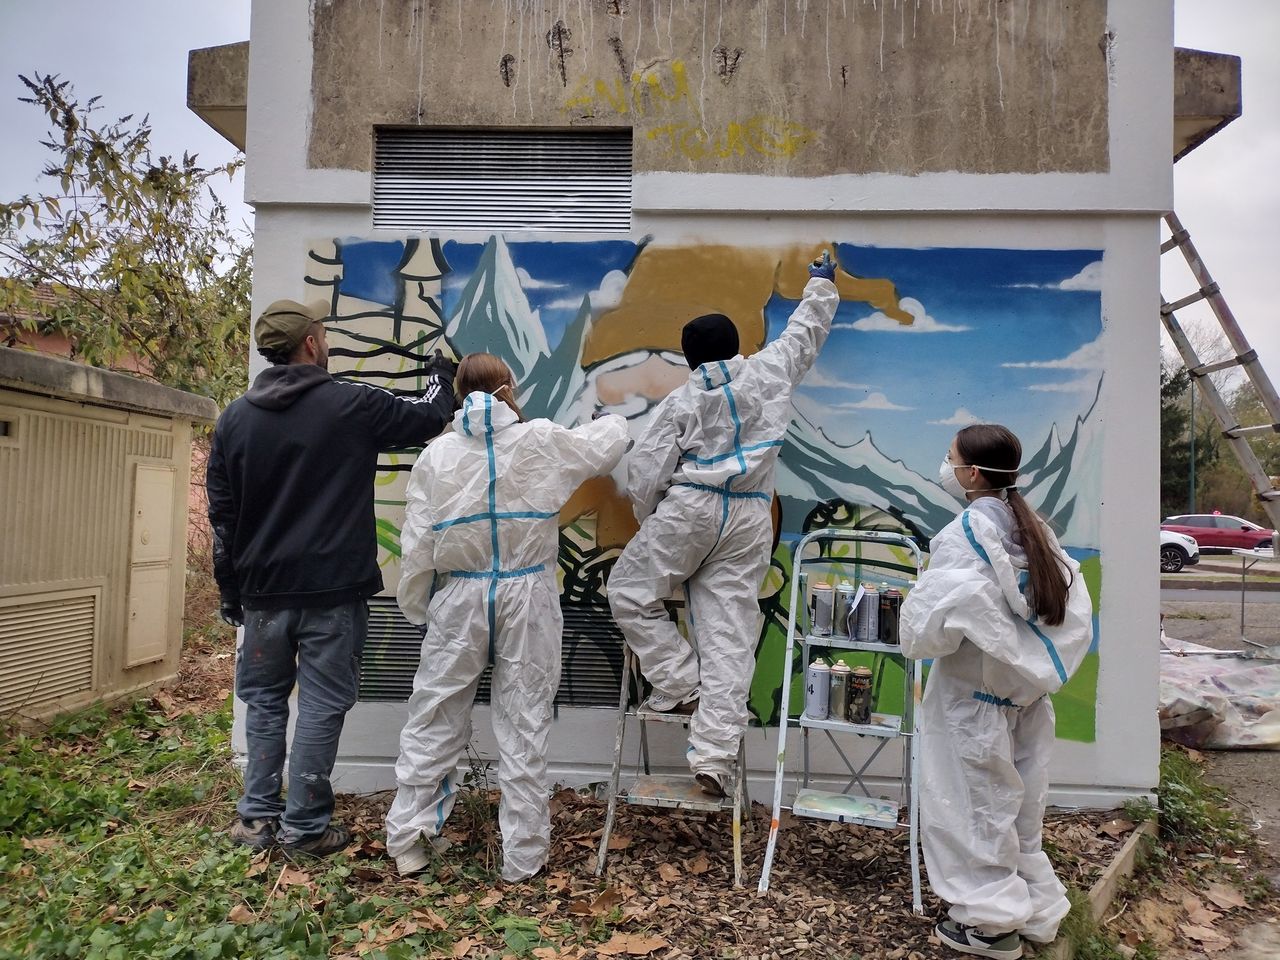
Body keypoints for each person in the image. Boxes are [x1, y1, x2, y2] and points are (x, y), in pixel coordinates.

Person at [207, 299, 457, 857]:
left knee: (265, 704)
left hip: (263, 596)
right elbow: (425, 415)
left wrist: (231, 592)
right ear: (313, 345)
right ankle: (306, 829)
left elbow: (221, 517)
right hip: (332, 594)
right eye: (324, 334)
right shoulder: (349, 405)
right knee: (320, 704)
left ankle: (255, 823)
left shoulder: (234, 419)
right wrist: (442, 376)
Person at [606, 250, 842, 798]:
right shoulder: (769, 371)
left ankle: (679, 680)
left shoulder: (681, 402)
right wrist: (821, 283)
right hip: (751, 514)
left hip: (690, 507)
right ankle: (713, 756)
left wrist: (655, 523)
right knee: (730, 633)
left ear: (688, 359)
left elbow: (645, 475)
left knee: (629, 591)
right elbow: (805, 332)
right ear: (737, 345)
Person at [386, 353, 629, 882]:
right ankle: (522, 859)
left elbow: (417, 541)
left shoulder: (438, 456)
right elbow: (605, 446)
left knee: (434, 716)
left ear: (457, 391)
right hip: (528, 596)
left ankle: (408, 842)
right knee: (524, 721)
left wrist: (418, 605)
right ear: (509, 388)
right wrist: (609, 418)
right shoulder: (539, 439)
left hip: (460, 598)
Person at [900, 424, 1093, 960]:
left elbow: (924, 631)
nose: (947, 466)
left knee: (970, 809)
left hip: (971, 701)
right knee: (1018, 811)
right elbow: (1065, 613)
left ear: (973, 473)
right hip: (1025, 697)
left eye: (951, 458)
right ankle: (1034, 909)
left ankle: (990, 926)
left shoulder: (962, 534)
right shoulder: (1033, 529)